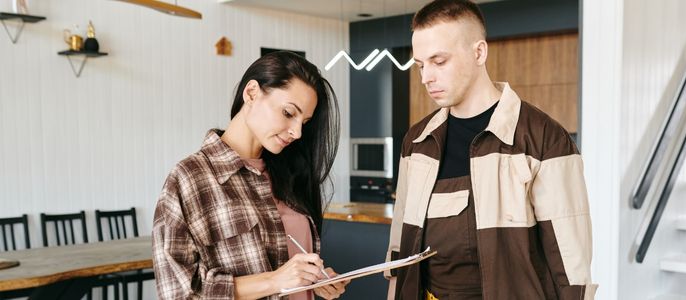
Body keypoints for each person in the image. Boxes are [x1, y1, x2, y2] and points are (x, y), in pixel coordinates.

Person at [384, 1, 597, 299]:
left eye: (439, 61)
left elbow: (571, 266)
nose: (425, 77)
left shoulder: (544, 139)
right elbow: (400, 250)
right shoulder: (416, 141)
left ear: (479, 52)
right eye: (421, 65)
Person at [152, 51, 348, 300]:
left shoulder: (289, 175)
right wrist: (273, 281)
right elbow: (178, 293)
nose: (297, 132)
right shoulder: (190, 179)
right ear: (252, 93)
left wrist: (313, 280)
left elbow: (290, 271)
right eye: (288, 113)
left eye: (304, 122)